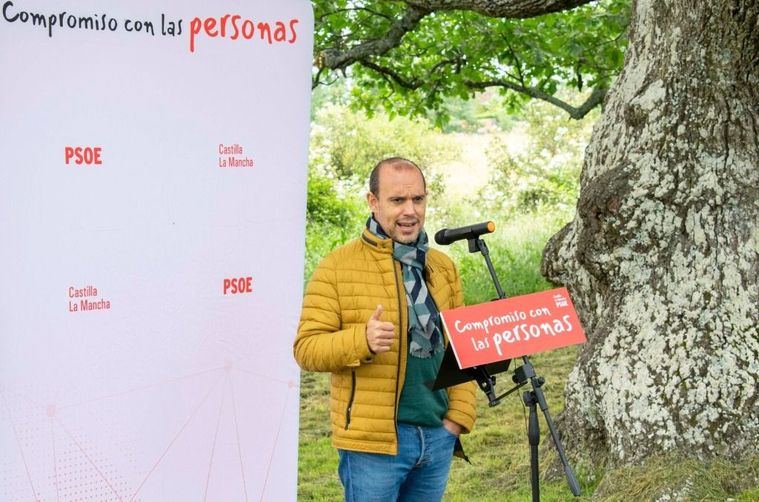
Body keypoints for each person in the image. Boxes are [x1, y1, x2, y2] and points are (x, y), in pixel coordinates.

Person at [294, 157, 477, 501]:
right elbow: (306, 349)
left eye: (418, 200)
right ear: (373, 202)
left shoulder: (442, 267)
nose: (410, 211)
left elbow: (461, 348)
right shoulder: (337, 267)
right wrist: (361, 340)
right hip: (373, 444)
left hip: (438, 435)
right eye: (397, 201)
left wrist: (457, 420)